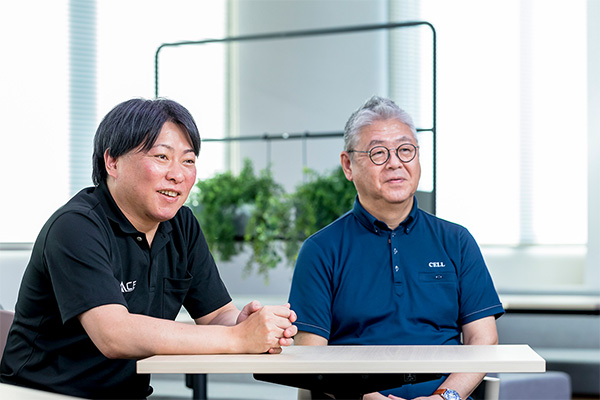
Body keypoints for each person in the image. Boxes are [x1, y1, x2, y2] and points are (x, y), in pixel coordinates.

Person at [0, 98, 297, 399]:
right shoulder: (76, 226)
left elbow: (217, 315)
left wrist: (244, 325)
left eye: (188, 161)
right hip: (42, 395)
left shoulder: (182, 225)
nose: (177, 174)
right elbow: (113, 334)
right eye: (161, 157)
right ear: (112, 162)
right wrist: (236, 339)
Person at [288, 96, 504, 400]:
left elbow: (483, 339)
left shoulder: (456, 241)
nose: (395, 163)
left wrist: (445, 397)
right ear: (348, 165)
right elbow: (310, 356)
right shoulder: (321, 250)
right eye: (378, 153)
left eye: (405, 150)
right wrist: (369, 398)